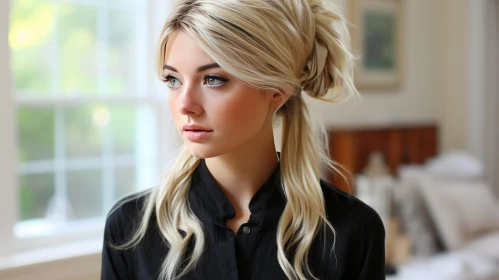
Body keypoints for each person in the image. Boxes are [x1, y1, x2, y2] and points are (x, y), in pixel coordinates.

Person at [101, 0, 385, 279]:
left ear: (277, 89)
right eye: (173, 80)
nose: (185, 104)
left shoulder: (353, 231)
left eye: (212, 79)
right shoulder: (129, 228)